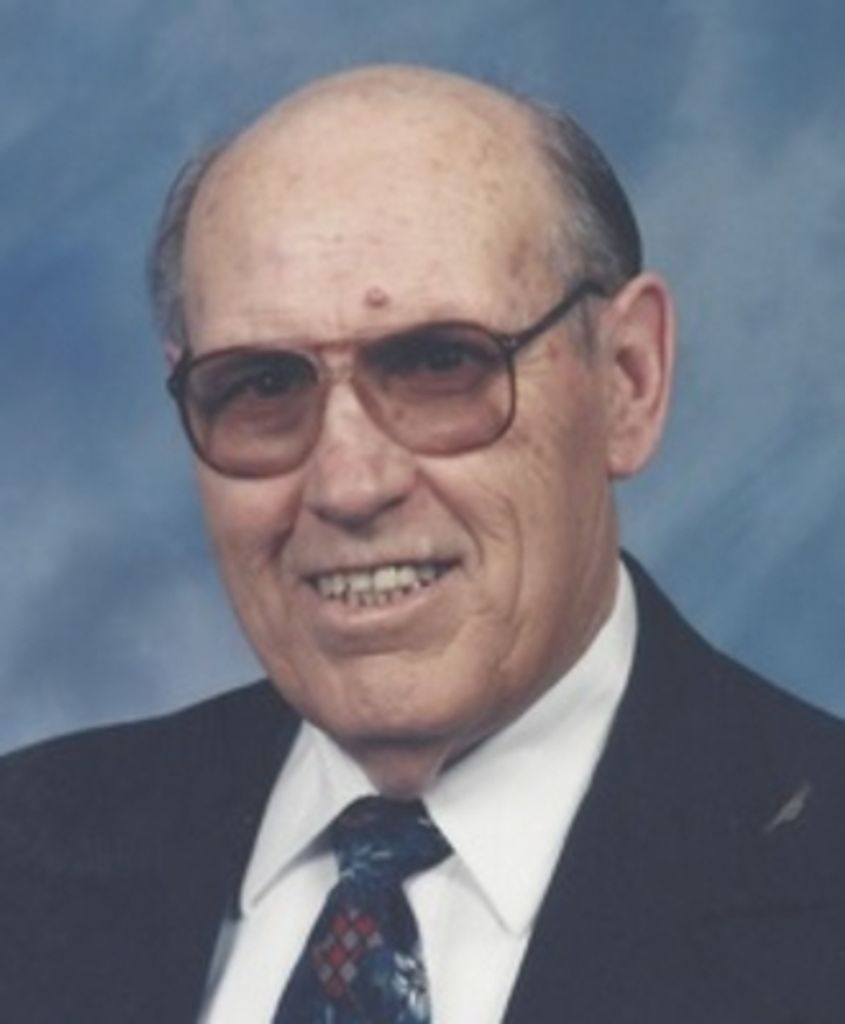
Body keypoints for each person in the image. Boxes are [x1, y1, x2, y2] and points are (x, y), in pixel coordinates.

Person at [2, 64, 844, 1024]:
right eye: (264, 386)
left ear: (627, 379)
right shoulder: (26, 856)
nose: (349, 485)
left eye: (440, 363)